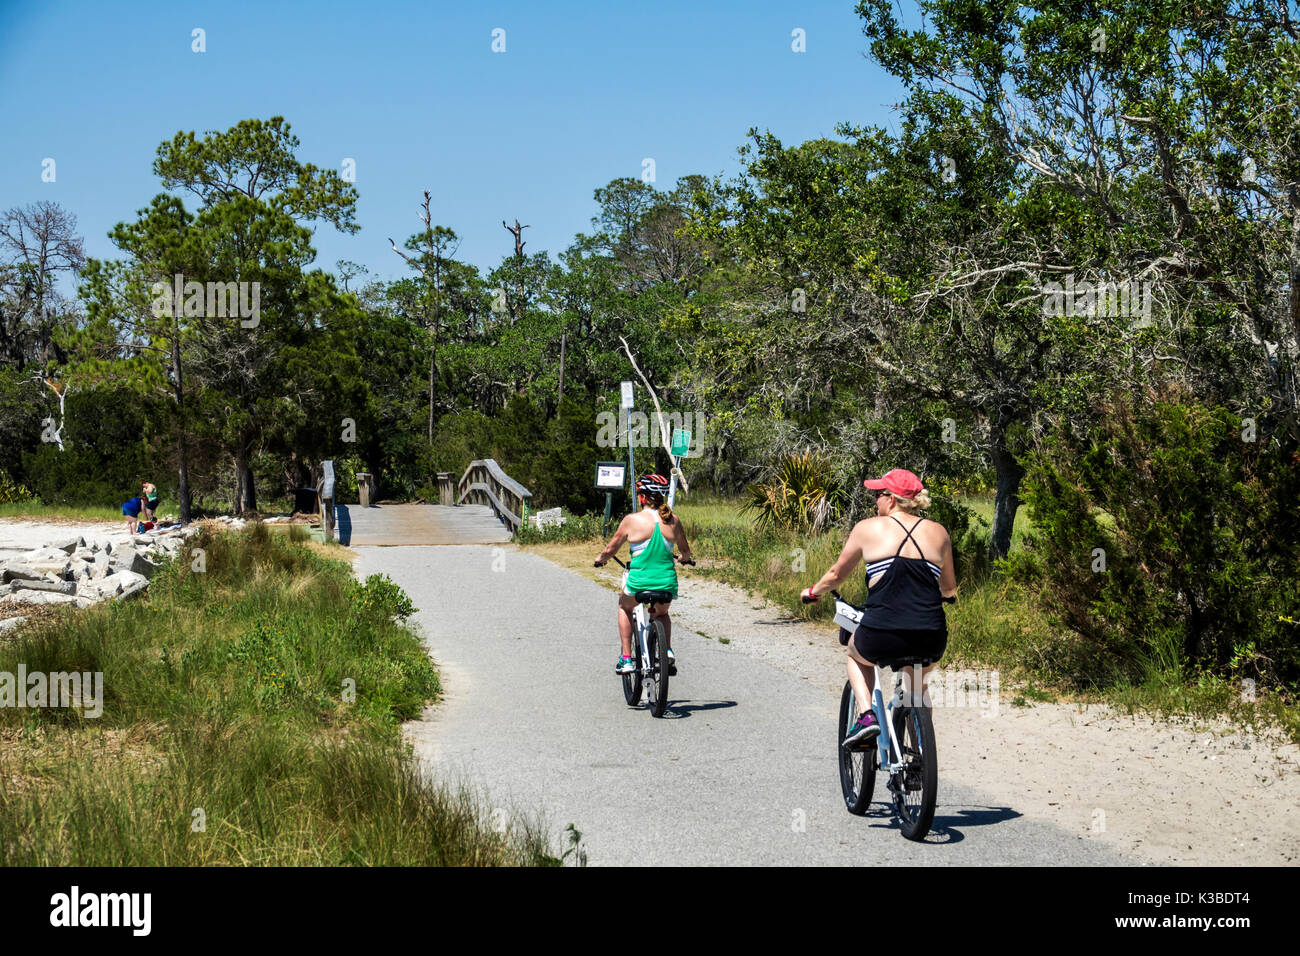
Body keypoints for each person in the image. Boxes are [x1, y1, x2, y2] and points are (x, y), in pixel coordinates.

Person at [799, 468, 956, 746]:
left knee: (856, 655)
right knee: (917, 688)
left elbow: (836, 575)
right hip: (930, 634)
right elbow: (949, 588)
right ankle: (921, 753)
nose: (875, 501)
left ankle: (866, 716)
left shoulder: (867, 528)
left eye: (877, 494)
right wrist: (945, 596)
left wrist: (813, 592)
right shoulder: (939, 533)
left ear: (892, 499)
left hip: (883, 632)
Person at [595, 473, 692, 675]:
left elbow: (610, 549)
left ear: (642, 497)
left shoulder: (632, 520)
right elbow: (685, 551)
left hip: (640, 582)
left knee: (624, 606)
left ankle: (627, 658)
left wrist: (601, 559)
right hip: (666, 582)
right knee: (662, 613)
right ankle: (666, 650)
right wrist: (684, 558)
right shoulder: (674, 520)